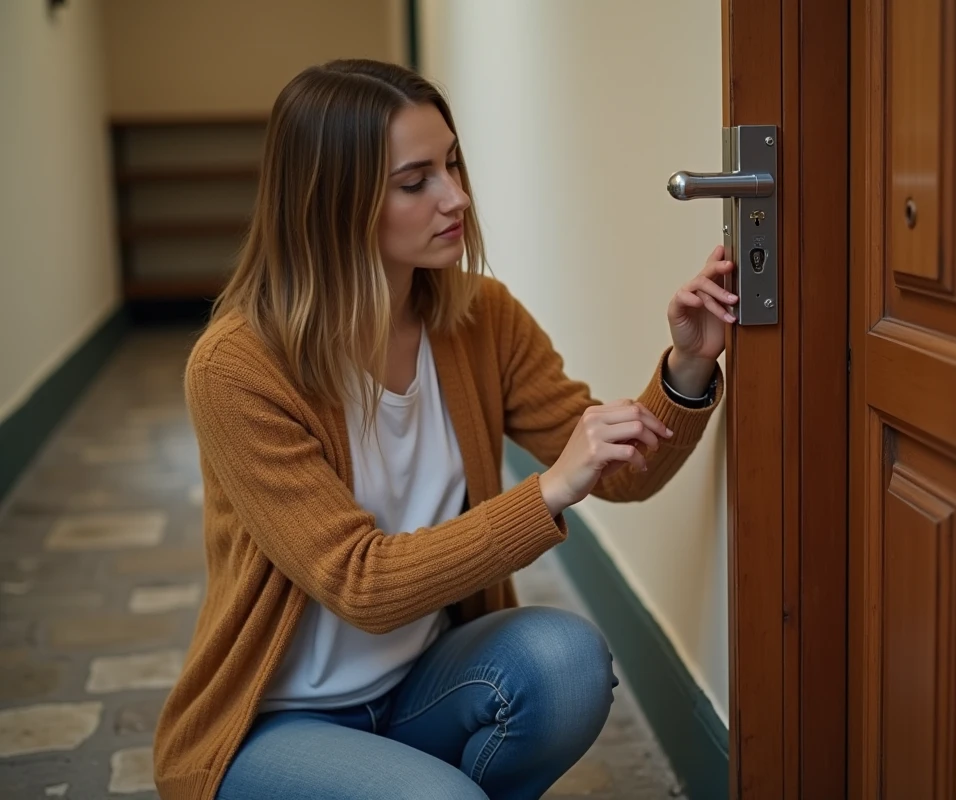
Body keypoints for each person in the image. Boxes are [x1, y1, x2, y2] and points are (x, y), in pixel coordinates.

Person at [152, 58, 735, 800]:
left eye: (453, 164)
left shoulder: (478, 317)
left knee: (567, 664)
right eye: (415, 180)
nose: (456, 196)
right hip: (275, 723)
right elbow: (361, 583)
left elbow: (622, 471)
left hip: (418, 687)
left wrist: (686, 368)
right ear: (332, 201)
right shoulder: (237, 368)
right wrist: (550, 490)